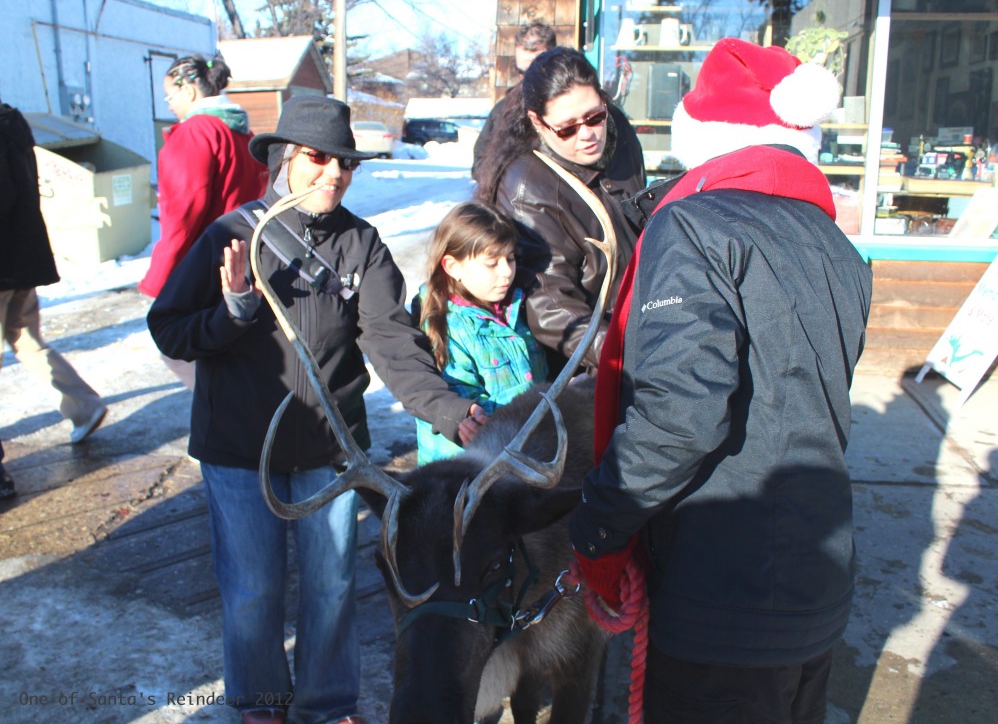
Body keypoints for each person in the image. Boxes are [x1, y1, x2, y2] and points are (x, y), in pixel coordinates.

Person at [147, 95, 486, 724]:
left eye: (345, 163)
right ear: (283, 160)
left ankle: (328, 705)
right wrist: (232, 314)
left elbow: (392, 342)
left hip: (332, 450)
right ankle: (260, 702)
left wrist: (446, 408)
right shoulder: (231, 235)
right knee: (252, 591)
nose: (333, 172)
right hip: (238, 450)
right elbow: (168, 327)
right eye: (316, 158)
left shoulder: (362, 246)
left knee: (331, 587)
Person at [569, 38, 874, 724]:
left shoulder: (695, 226)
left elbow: (681, 414)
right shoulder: (836, 246)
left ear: (702, 134)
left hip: (720, 594)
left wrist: (599, 527)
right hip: (813, 584)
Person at [475, 46, 647, 378]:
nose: (587, 134)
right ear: (538, 122)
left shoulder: (618, 130)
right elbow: (550, 304)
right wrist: (621, 355)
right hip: (594, 361)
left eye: (595, 116)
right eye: (567, 128)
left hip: (646, 319)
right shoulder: (526, 187)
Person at [140, 53, 265, 389]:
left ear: (190, 92)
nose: (169, 105)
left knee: (180, 348)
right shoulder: (243, 133)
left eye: (170, 96)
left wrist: (160, 279)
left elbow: (182, 214)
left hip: (203, 264)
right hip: (244, 258)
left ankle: (228, 420)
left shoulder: (195, 133)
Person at [1, 101, 107, 467]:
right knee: (25, 338)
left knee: (25, 338)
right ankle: (84, 405)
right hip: (23, 258)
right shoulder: (13, 123)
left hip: (5, 263)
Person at [415, 201, 547, 463]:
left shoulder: (514, 306)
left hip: (513, 452)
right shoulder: (446, 324)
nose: (507, 272)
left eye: (510, 259)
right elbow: (467, 405)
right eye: (491, 263)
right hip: (464, 468)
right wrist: (544, 396)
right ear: (452, 266)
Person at [471, 20, 557, 180]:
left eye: (535, 70)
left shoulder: (579, 107)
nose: (528, 79)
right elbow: (480, 167)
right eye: (521, 71)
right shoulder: (502, 111)